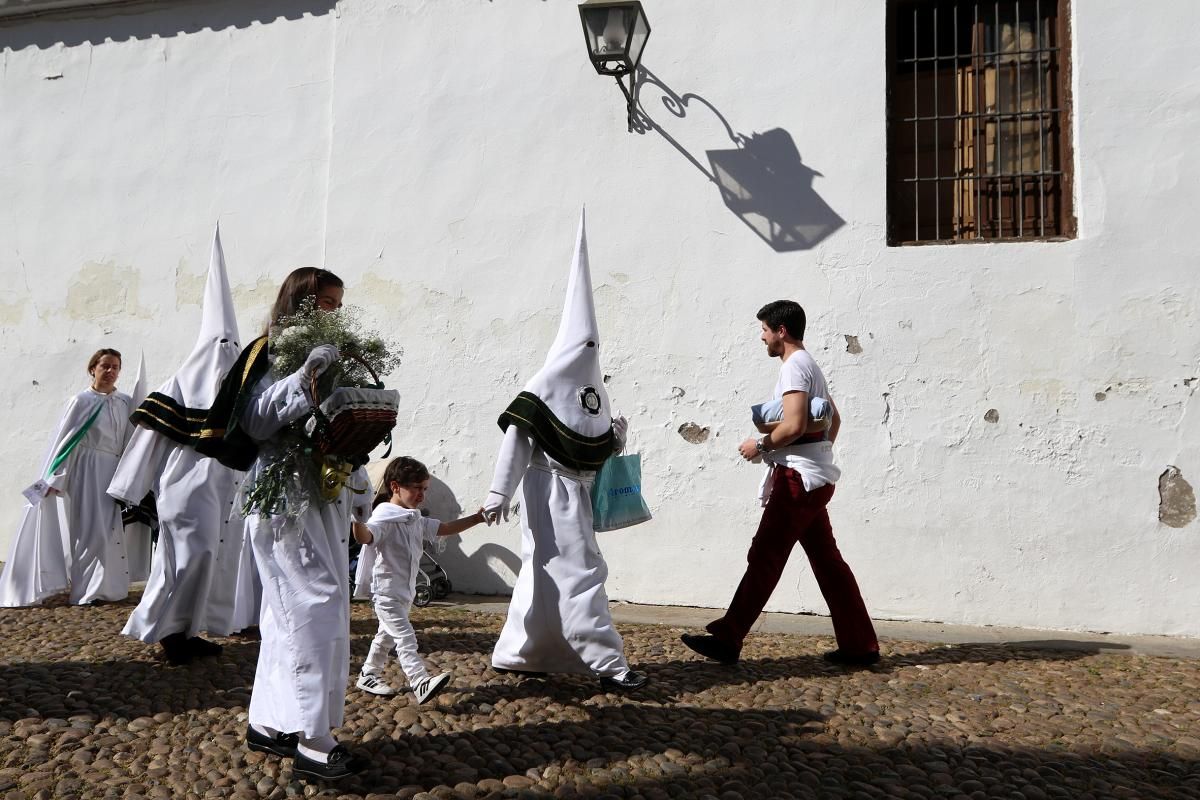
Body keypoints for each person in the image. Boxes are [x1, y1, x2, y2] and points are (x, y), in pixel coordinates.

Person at [200, 267, 368, 781]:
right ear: (301, 301)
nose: (334, 314)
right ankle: (315, 739)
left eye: (340, 306)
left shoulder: (332, 353)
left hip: (322, 492)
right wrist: (304, 377)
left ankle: (270, 722)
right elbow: (253, 421)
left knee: (285, 614)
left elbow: (338, 426)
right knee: (313, 605)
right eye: (327, 303)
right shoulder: (268, 352)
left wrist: (359, 485)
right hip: (283, 494)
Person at [482, 211, 647, 692]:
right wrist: (499, 491)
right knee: (580, 572)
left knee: (545, 573)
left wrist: (615, 440)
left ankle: (521, 652)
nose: (591, 349)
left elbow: (591, 445)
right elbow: (518, 437)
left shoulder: (594, 388)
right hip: (547, 490)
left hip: (580, 491)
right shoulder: (545, 385)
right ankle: (607, 663)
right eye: (585, 342)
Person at [680, 300, 880, 667]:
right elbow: (833, 420)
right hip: (811, 479)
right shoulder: (809, 364)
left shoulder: (794, 369)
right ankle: (860, 645)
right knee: (828, 562)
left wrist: (758, 445)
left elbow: (794, 425)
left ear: (781, 331)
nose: (762, 337)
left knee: (765, 557)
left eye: (764, 330)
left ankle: (728, 638)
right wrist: (817, 454)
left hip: (797, 482)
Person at [109, 226, 254, 665]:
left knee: (210, 561)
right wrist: (129, 489)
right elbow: (148, 438)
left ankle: (189, 631)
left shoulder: (241, 390)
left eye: (232, 345)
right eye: (218, 344)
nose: (225, 352)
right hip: (185, 489)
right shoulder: (179, 385)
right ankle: (165, 630)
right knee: (184, 561)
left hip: (223, 489)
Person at [0, 349, 133, 607]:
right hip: (86, 468)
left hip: (112, 469)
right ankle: (86, 591)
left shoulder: (125, 402)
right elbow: (66, 443)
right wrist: (55, 478)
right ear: (92, 368)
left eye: (115, 367)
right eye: (105, 366)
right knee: (88, 529)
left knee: (110, 529)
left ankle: (110, 588)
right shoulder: (81, 401)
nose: (110, 372)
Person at [351, 457, 485, 703]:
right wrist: (357, 518)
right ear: (395, 486)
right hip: (387, 592)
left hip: (406, 592)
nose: (422, 494)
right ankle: (419, 680)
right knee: (405, 636)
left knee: (386, 636)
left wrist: (476, 519)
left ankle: (368, 673)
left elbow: (444, 528)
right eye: (416, 488)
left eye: (425, 488)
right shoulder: (383, 516)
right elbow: (365, 537)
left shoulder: (413, 518)